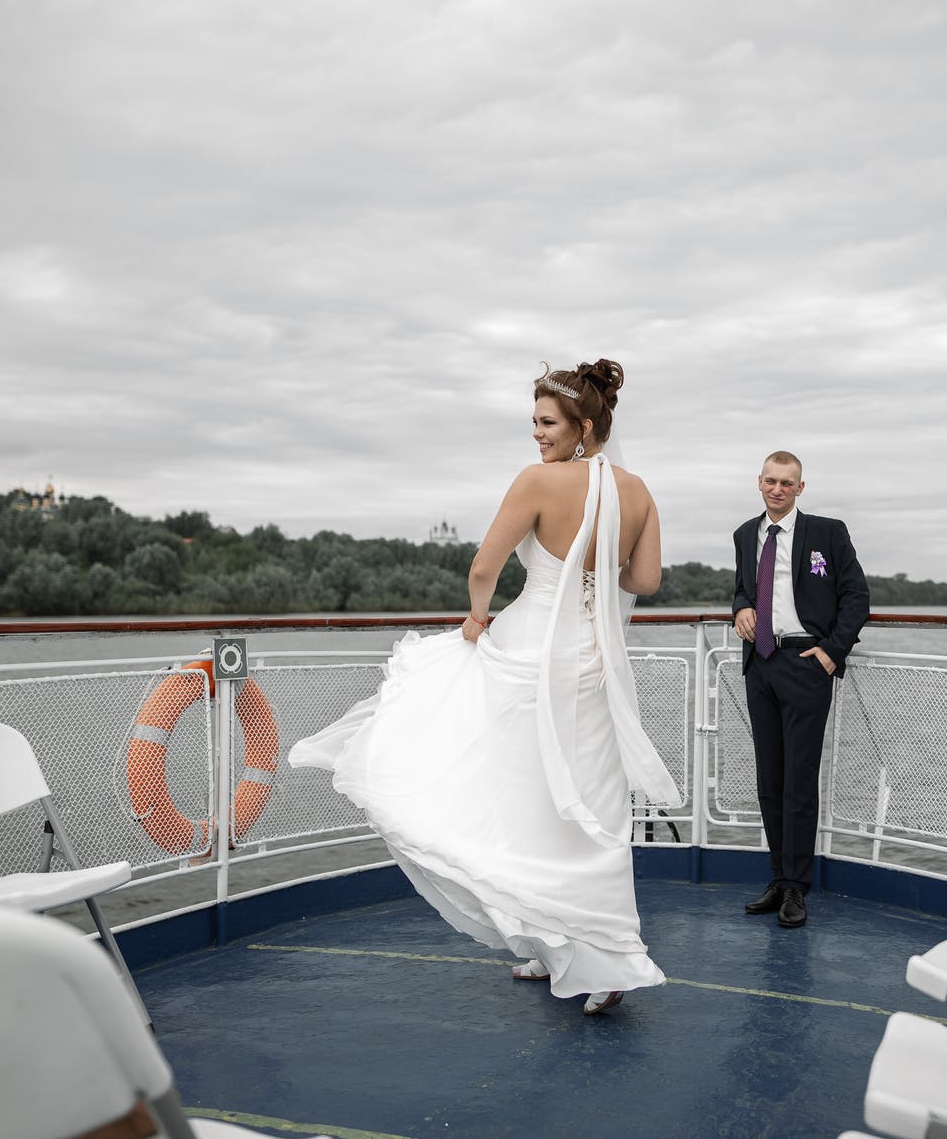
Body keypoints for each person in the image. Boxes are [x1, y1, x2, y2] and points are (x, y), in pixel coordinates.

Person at [289, 360, 678, 1016]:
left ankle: (571, 945)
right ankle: (573, 949)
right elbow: (644, 581)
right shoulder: (638, 491)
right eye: (533, 423)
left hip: (528, 659)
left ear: (583, 425)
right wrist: (598, 558)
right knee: (592, 807)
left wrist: (474, 620)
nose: (536, 435)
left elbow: (483, 567)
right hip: (595, 667)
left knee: (520, 799)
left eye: (547, 423)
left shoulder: (538, 482)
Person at [731, 451, 869, 928]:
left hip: (808, 663)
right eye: (770, 481)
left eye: (787, 483)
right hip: (761, 663)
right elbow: (743, 587)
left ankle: (796, 887)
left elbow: (856, 595)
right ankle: (776, 877)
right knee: (770, 778)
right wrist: (740, 608)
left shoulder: (827, 532)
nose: (778, 489)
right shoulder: (746, 534)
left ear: (801, 488)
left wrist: (833, 651)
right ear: (759, 483)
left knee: (799, 780)